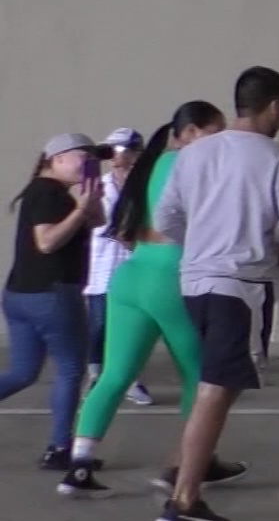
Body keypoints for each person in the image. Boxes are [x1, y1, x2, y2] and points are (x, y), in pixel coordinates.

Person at [152, 67, 279, 521]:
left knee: (218, 381)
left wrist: (202, 246)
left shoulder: (194, 153)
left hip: (195, 283)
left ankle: (183, 465)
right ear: (276, 106)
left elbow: (167, 217)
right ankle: (184, 499)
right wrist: (278, 253)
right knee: (217, 388)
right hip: (240, 286)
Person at [59, 104, 236, 498]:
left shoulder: (148, 166)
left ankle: (80, 465)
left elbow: (124, 227)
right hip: (172, 276)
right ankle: (191, 464)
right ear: (189, 131)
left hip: (131, 274)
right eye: (215, 130)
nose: (221, 139)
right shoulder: (194, 166)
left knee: (114, 374)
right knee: (199, 375)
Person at [0, 134, 105, 468]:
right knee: (71, 370)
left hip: (21, 294)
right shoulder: (47, 192)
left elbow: (100, 222)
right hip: (51, 294)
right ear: (55, 158)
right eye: (81, 157)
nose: (88, 163)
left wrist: (90, 200)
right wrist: (80, 211)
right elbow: (47, 242)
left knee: (22, 372)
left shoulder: (55, 193)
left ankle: (61, 446)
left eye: (92, 159)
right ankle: (60, 448)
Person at [83, 128, 152, 407]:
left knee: (130, 328)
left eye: (118, 150)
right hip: (102, 268)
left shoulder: (146, 185)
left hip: (135, 268)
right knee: (99, 326)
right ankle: (96, 377)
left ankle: (130, 379)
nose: (113, 156)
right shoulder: (99, 185)